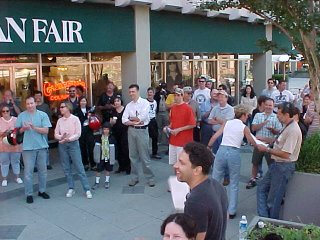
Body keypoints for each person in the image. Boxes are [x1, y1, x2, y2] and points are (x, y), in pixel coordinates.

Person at [208, 104, 257, 218]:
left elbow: (215, 136)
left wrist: (208, 146)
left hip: (222, 150)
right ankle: (231, 211)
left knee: (215, 180)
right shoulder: (244, 127)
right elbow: (251, 142)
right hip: (234, 152)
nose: (247, 117)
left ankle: (213, 207)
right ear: (243, 115)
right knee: (234, 182)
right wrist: (259, 145)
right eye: (247, 115)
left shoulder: (227, 123)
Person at [256, 102, 302, 219]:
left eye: (279, 114)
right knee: (261, 189)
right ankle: (264, 219)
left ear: (287, 115)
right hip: (277, 165)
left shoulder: (293, 130)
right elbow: (279, 142)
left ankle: (270, 224)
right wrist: (264, 140)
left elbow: (286, 154)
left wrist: (266, 149)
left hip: (283, 166)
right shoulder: (287, 126)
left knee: (273, 199)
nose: (277, 116)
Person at [174, 142, 228, 240]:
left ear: (197, 170)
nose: (175, 165)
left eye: (181, 163)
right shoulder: (217, 185)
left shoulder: (195, 201)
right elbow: (225, 217)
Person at [16, 96, 52, 204]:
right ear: (25, 105)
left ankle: (42, 190)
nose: (30, 105)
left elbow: (46, 131)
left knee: (43, 171)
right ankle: (29, 194)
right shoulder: (22, 116)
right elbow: (17, 131)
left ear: (35, 103)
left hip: (41, 146)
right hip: (27, 148)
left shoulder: (43, 115)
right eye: (27, 104)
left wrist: (34, 128)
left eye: (31, 103)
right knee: (28, 172)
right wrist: (23, 128)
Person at [54, 101, 93, 199]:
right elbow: (55, 134)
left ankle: (87, 189)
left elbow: (78, 133)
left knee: (79, 167)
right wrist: (61, 137)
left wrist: (69, 139)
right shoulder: (60, 121)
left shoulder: (75, 119)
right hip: (63, 144)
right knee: (66, 168)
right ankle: (71, 187)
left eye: (63, 107)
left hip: (73, 144)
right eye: (60, 107)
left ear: (68, 108)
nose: (61, 109)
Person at [122, 84, 155, 187]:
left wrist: (132, 119)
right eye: (130, 92)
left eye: (133, 91)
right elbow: (124, 119)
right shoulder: (129, 105)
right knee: (132, 156)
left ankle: (150, 178)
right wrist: (134, 121)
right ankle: (134, 178)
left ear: (138, 91)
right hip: (131, 131)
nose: (131, 94)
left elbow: (143, 117)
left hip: (142, 131)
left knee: (144, 156)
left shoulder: (145, 103)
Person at [246, 98, 282, 189]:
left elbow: (279, 132)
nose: (269, 107)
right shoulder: (258, 115)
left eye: (271, 105)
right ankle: (253, 179)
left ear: (273, 106)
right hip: (258, 143)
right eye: (267, 105)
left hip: (270, 145)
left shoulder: (277, 117)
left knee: (271, 164)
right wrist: (264, 123)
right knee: (255, 162)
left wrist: (273, 130)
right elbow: (253, 128)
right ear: (263, 105)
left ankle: (271, 181)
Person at [164, 88, 196, 166]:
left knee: (182, 165)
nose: (176, 97)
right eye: (175, 95)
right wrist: (167, 128)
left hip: (183, 142)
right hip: (173, 141)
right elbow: (172, 123)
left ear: (182, 96)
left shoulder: (188, 108)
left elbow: (193, 124)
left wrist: (179, 130)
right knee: (174, 164)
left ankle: (183, 178)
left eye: (178, 95)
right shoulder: (173, 108)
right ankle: (175, 178)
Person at [0, 105, 23, 187]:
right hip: (3, 147)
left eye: (7, 111)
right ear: (1, 112)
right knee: (4, 163)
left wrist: (14, 131)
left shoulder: (16, 120)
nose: (5, 112)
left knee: (16, 162)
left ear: (10, 111)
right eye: (3, 111)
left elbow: (20, 131)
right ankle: (4, 179)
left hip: (15, 146)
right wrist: (4, 133)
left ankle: (17, 177)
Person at [208, 90, 235, 155]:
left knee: (223, 154)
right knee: (214, 153)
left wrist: (216, 119)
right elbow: (209, 121)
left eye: (222, 97)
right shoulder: (215, 108)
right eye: (219, 97)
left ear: (226, 98)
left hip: (225, 135)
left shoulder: (230, 109)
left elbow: (228, 123)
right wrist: (221, 121)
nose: (220, 98)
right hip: (214, 133)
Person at [73, 96, 96, 171]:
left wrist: (90, 116)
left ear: (86, 102)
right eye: (81, 101)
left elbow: (94, 119)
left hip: (89, 131)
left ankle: (93, 164)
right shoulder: (76, 110)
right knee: (82, 148)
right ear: (79, 102)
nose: (83, 103)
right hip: (80, 131)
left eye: (84, 101)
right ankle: (85, 164)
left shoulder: (90, 109)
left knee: (91, 147)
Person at [110, 95, 131, 174]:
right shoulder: (113, 111)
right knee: (118, 149)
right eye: (115, 101)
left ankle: (128, 167)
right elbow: (111, 122)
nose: (116, 102)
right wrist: (112, 122)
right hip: (116, 132)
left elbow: (129, 119)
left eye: (118, 101)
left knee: (125, 149)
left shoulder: (125, 109)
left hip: (124, 131)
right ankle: (121, 166)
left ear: (121, 101)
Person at [92, 122, 116, 189]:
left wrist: (113, 158)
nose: (106, 131)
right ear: (102, 130)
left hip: (108, 156)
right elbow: (96, 147)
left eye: (107, 129)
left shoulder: (112, 138)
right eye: (104, 129)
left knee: (108, 169)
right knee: (98, 169)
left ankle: (107, 181)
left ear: (110, 130)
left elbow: (114, 148)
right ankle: (96, 182)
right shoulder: (99, 137)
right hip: (101, 156)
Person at [34, 90, 53, 170]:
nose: (38, 98)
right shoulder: (32, 106)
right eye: (36, 96)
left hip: (43, 129)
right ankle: (35, 165)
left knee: (45, 147)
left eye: (39, 96)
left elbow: (49, 117)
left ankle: (46, 163)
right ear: (34, 97)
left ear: (41, 97)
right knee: (34, 147)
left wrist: (48, 127)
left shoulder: (45, 106)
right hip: (34, 130)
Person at [147, 87, 161, 159]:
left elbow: (155, 111)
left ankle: (154, 153)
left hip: (153, 120)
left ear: (153, 93)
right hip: (146, 121)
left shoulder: (155, 102)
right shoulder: (145, 102)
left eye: (151, 92)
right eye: (149, 92)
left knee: (155, 137)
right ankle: (145, 154)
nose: (150, 94)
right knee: (146, 138)